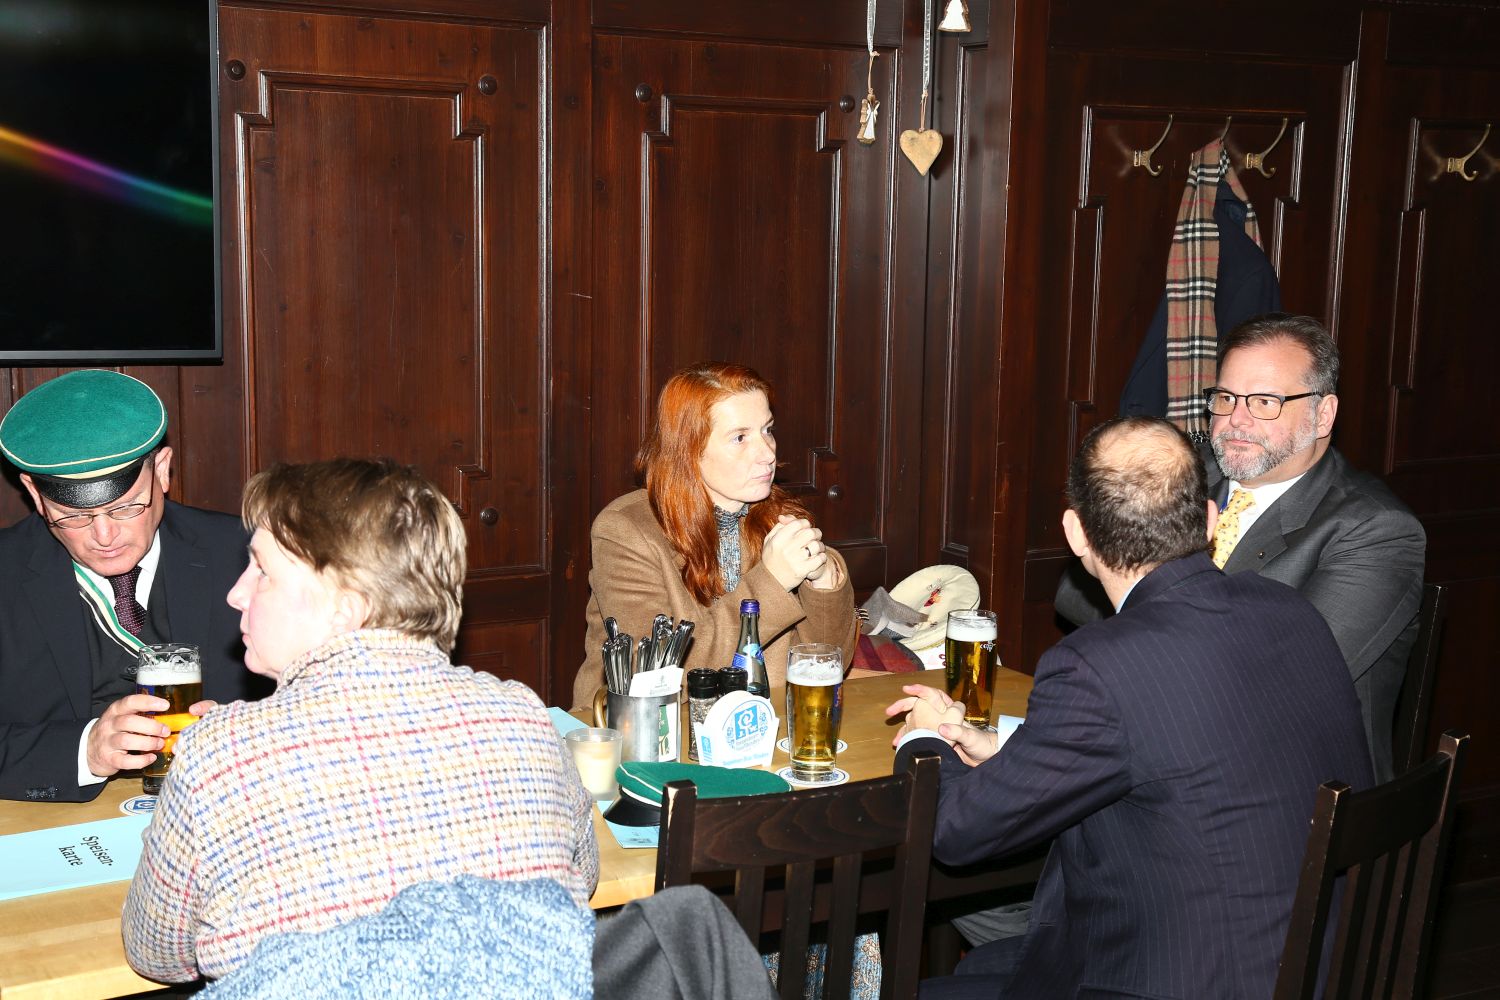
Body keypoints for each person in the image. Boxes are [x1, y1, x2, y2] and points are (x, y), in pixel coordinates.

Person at [890, 417, 1373, 1000]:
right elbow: (1179, 745)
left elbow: (955, 832)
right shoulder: (1289, 610)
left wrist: (924, 740)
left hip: (1183, 977)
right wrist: (1010, 746)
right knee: (980, 972)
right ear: (1212, 521)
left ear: (1076, 534)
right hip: (1314, 966)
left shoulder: (1096, 665)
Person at [123, 458, 599, 983]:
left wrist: (228, 754)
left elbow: (156, 954)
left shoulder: (220, 756)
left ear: (345, 610)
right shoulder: (523, 717)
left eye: (262, 572)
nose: (236, 593)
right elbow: (581, 876)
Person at [1057, 313, 1425, 782]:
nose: (1236, 419)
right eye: (1226, 397)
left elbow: (1283, 685)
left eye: (1265, 401)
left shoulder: (1375, 529)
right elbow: (1074, 594)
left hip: (1299, 789)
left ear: (1323, 414)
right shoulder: (1182, 475)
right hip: (1154, 749)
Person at [0, 370, 263, 803]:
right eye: (74, 517)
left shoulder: (247, 555)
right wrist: (84, 752)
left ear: (162, 470)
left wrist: (251, 737)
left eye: (126, 508)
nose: (104, 536)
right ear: (33, 492)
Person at [572, 362, 857, 709]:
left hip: (763, 725)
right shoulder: (626, 530)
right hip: (648, 730)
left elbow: (826, 662)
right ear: (689, 450)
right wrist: (772, 582)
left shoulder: (780, 518)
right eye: (740, 438)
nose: (768, 453)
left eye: (767, 430)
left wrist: (823, 582)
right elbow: (655, 679)